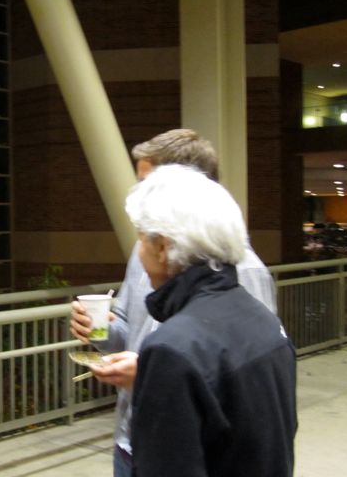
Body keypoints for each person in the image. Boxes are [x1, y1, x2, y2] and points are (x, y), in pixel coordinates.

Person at [69, 128, 277, 476]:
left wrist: (158, 374)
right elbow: (124, 328)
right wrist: (100, 330)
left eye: (148, 185)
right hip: (132, 438)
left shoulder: (246, 271)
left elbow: (252, 389)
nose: (138, 197)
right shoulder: (145, 251)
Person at [125, 164, 297, 476]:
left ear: (162, 246)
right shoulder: (265, 323)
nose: (138, 253)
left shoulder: (172, 349)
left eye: (140, 239)